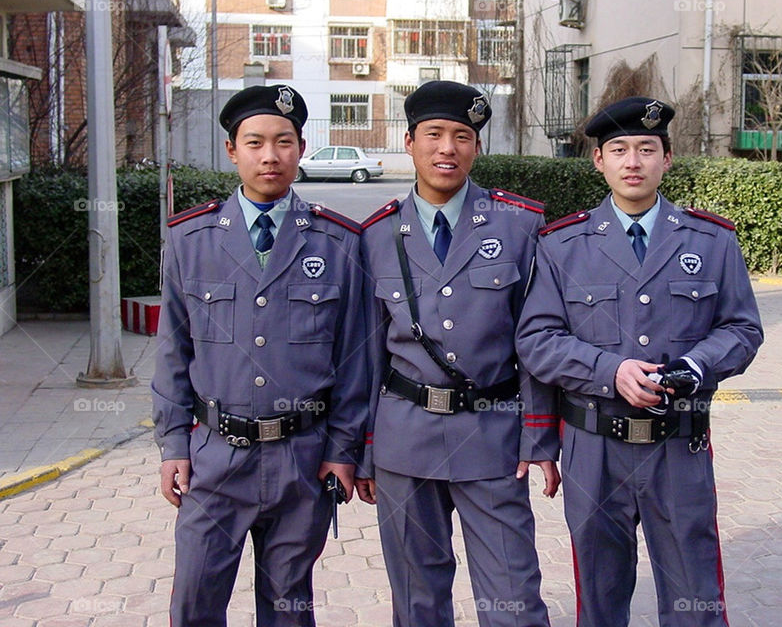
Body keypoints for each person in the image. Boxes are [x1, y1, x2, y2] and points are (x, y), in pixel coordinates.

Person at [515, 96, 764, 627]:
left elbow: (742, 329)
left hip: (679, 444)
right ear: (598, 161)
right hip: (594, 447)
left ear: (667, 159)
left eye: (647, 149)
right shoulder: (563, 244)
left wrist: (698, 367)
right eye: (619, 149)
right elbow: (537, 339)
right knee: (600, 594)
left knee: (694, 590)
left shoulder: (712, 240)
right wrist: (610, 371)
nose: (633, 161)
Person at [151, 84, 368, 627]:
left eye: (284, 142)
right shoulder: (190, 239)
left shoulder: (337, 242)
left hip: (302, 459)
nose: (269, 156)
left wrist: (343, 449)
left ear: (300, 148)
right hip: (215, 459)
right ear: (232, 150)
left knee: (289, 605)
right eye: (255, 143)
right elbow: (172, 351)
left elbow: (355, 361)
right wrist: (173, 442)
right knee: (195, 600)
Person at [356, 80, 559, 627]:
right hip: (404, 444)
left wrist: (538, 435)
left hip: (493, 439)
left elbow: (535, 340)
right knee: (417, 599)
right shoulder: (376, 234)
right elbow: (366, 356)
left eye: (462, 137)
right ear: (409, 141)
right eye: (434, 134)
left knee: (514, 598)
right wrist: (365, 449)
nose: (448, 148)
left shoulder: (519, 226)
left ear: (475, 147)